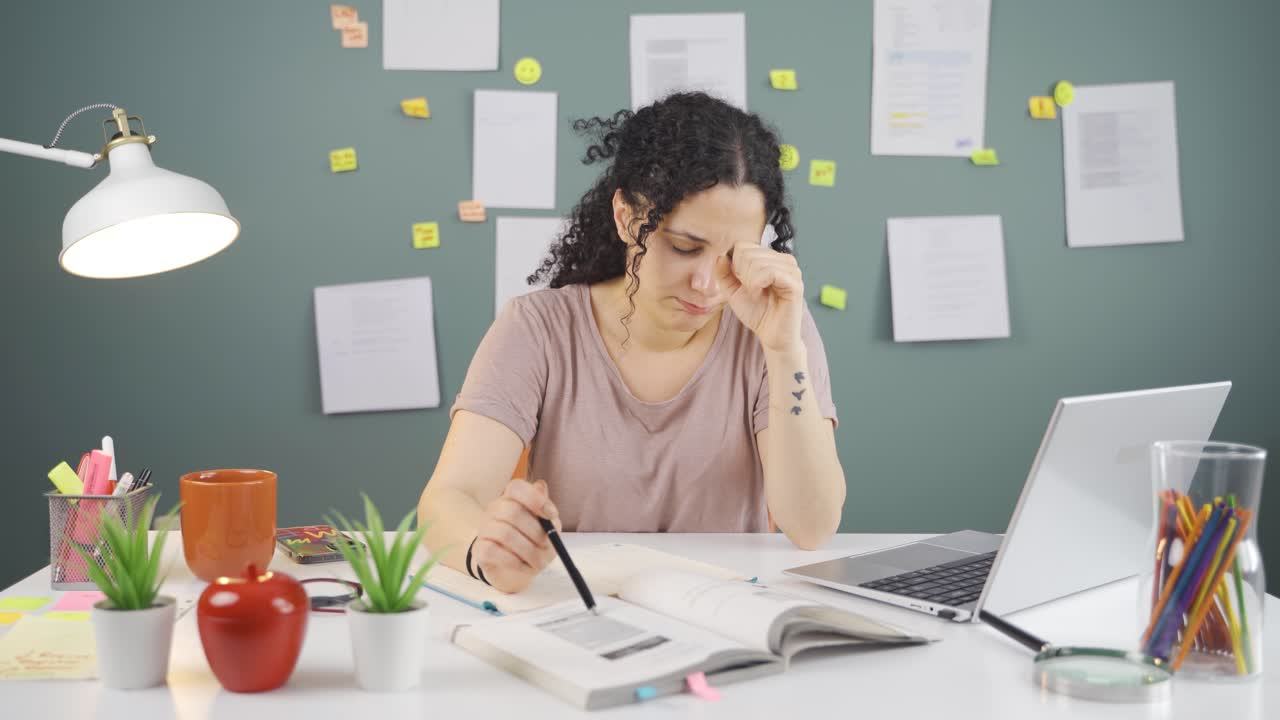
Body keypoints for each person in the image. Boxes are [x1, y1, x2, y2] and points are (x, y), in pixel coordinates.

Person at [419, 92, 845, 593]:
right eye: (685, 248)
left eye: (736, 253)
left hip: (726, 609)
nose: (707, 284)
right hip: (577, 604)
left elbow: (812, 527)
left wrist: (783, 350)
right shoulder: (537, 329)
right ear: (626, 217)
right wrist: (487, 552)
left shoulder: (776, 325)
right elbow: (447, 500)